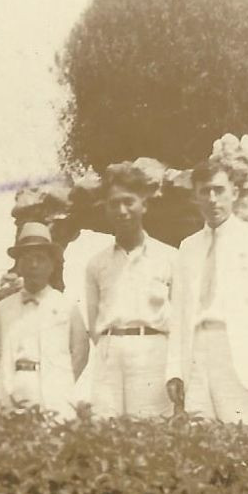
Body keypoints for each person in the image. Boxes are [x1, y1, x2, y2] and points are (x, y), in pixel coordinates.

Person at [165, 159, 248, 426]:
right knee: (200, 435)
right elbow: (178, 313)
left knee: (246, 434)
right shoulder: (187, 248)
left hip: (239, 356)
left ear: (234, 192)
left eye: (219, 190)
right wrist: (175, 370)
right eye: (204, 192)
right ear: (195, 197)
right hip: (196, 353)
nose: (212, 199)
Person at [84, 166, 176, 418]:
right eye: (114, 204)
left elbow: (180, 318)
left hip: (152, 352)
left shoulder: (169, 257)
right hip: (109, 352)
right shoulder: (96, 264)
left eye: (129, 202)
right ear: (106, 208)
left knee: (151, 430)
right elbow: (93, 322)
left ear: (144, 205)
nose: (122, 211)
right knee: (106, 426)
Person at [0, 222, 90, 418]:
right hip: (14, 386)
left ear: (52, 265)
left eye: (40, 259)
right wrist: (6, 381)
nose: (34, 265)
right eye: (27, 259)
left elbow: (80, 350)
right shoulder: (3, 308)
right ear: (19, 264)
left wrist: (62, 383)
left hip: (53, 390)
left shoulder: (67, 307)